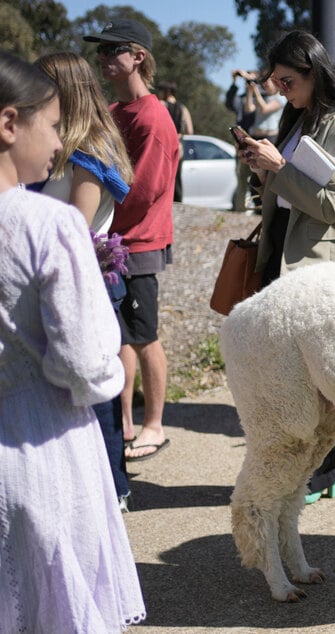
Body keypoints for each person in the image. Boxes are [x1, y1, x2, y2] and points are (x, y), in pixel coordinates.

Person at [0, 50, 146, 631]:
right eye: (54, 125)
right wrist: (111, 377)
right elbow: (86, 363)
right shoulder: (46, 225)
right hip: (45, 447)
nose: (60, 142)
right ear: (10, 124)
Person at [238, 30, 335, 499]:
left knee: (324, 379)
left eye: (287, 79)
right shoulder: (299, 118)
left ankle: (322, 471)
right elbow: (292, 196)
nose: (279, 89)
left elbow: (332, 205)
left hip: (325, 268)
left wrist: (278, 168)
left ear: (314, 72)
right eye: (275, 80)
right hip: (288, 258)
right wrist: (262, 170)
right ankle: (312, 468)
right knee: (299, 377)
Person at [34, 50, 136, 510]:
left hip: (87, 282)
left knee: (96, 397)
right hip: (64, 280)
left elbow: (77, 225)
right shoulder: (62, 146)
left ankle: (113, 491)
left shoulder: (89, 151)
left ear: (66, 91)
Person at [84, 18, 179, 461]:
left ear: (138, 56)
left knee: (144, 337)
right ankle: (121, 424)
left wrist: (91, 215)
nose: (103, 58)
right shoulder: (116, 112)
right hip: (111, 242)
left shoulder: (154, 116)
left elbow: (144, 190)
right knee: (118, 337)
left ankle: (154, 425)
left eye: (112, 50)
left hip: (137, 244)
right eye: (99, 52)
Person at [156, 80, 192, 202]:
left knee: (163, 175)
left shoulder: (160, 104)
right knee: (177, 176)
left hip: (165, 145)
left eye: (160, 90)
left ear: (166, 91)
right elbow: (190, 130)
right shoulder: (183, 108)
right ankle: (178, 201)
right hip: (179, 145)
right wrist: (179, 134)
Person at [226, 68, 258, 211]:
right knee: (241, 181)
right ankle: (239, 211)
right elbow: (229, 103)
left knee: (258, 182)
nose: (248, 83)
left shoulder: (261, 98)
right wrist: (234, 82)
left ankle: (259, 212)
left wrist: (252, 83)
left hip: (258, 144)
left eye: (251, 80)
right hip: (242, 145)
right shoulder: (241, 99)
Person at [247, 73, 286, 144]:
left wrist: (256, 90)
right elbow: (249, 109)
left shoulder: (281, 98)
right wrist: (249, 91)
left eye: (268, 81)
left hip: (270, 137)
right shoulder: (262, 96)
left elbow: (265, 109)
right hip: (255, 136)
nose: (265, 83)